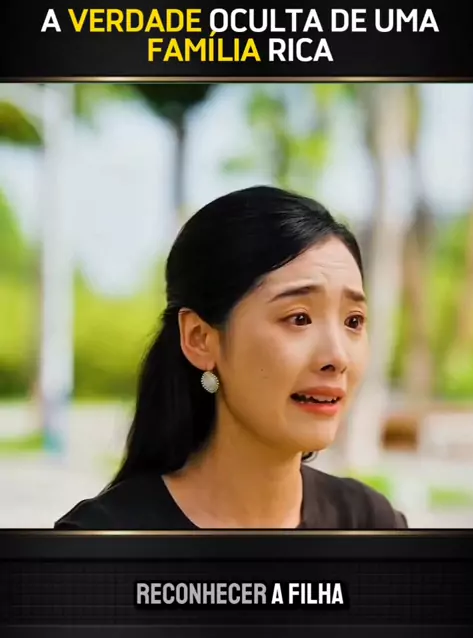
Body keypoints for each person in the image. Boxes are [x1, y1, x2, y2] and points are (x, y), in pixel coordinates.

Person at [55, 186, 407, 530]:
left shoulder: (371, 523)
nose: (337, 357)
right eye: (299, 318)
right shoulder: (105, 541)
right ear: (200, 339)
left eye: (353, 321)